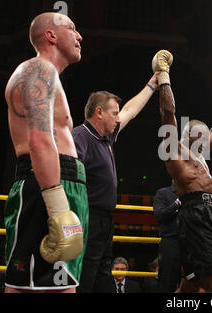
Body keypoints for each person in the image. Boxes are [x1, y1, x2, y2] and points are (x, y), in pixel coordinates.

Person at [3, 12, 87, 293]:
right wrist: (58, 206)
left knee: (62, 286)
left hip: (63, 184)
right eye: (72, 29)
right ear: (51, 36)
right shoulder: (37, 71)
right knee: (25, 285)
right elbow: (39, 140)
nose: (79, 36)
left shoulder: (49, 75)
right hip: (47, 184)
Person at [153, 49, 212, 293]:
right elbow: (168, 113)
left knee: (192, 282)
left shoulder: (200, 153)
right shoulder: (175, 150)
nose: (208, 142)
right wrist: (164, 76)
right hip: (196, 217)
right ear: (190, 137)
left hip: (207, 216)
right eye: (202, 138)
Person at [73, 77, 158, 293]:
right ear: (99, 112)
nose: (118, 117)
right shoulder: (80, 137)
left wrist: (151, 85)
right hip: (87, 217)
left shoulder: (106, 138)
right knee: (86, 276)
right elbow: (69, 177)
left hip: (105, 221)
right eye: (114, 113)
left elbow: (131, 110)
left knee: (103, 278)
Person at [153, 182, 182, 292]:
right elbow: (160, 215)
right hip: (171, 241)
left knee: (192, 278)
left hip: (190, 242)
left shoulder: (193, 194)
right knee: (167, 280)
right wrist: (177, 203)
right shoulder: (163, 193)